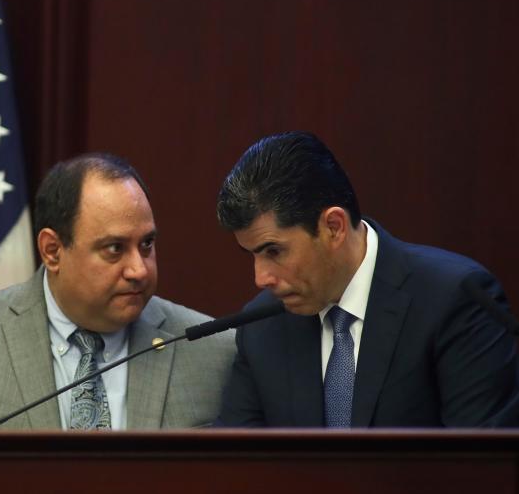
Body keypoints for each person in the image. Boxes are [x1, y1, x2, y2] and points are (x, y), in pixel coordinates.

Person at [0, 153, 235, 430]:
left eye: (146, 244)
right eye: (114, 248)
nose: (139, 270)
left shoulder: (210, 350)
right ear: (53, 251)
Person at [215, 131, 519, 427]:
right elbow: (237, 467)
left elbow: (481, 468)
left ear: (334, 227)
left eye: (274, 251)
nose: (260, 277)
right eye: (251, 254)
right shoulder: (261, 327)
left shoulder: (454, 299)